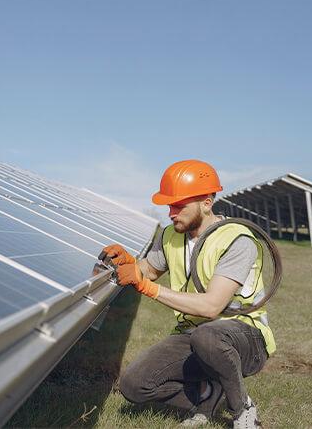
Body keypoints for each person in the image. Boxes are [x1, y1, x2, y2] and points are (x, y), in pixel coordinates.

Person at [98, 160, 275, 428]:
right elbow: (148, 270)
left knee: (209, 336)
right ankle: (206, 397)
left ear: (206, 202)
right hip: (193, 334)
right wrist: (128, 262)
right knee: (134, 385)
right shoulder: (171, 235)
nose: (171, 213)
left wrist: (147, 287)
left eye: (179, 205)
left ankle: (243, 412)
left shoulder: (238, 240)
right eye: (169, 206)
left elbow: (211, 307)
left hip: (244, 337)